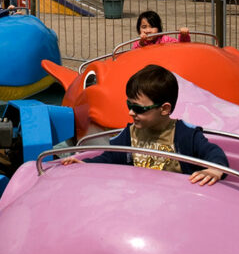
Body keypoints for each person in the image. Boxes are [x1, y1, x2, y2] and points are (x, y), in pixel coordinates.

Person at [68, 63, 228, 186]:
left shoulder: (185, 135)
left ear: (164, 109)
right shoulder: (129, 135)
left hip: (177, 201)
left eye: (138, 108)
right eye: (129, 106)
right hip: (141, 199)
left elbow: (214, 153)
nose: (131, 113)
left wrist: (215, 169)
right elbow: (110, 157)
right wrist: (86, 164)